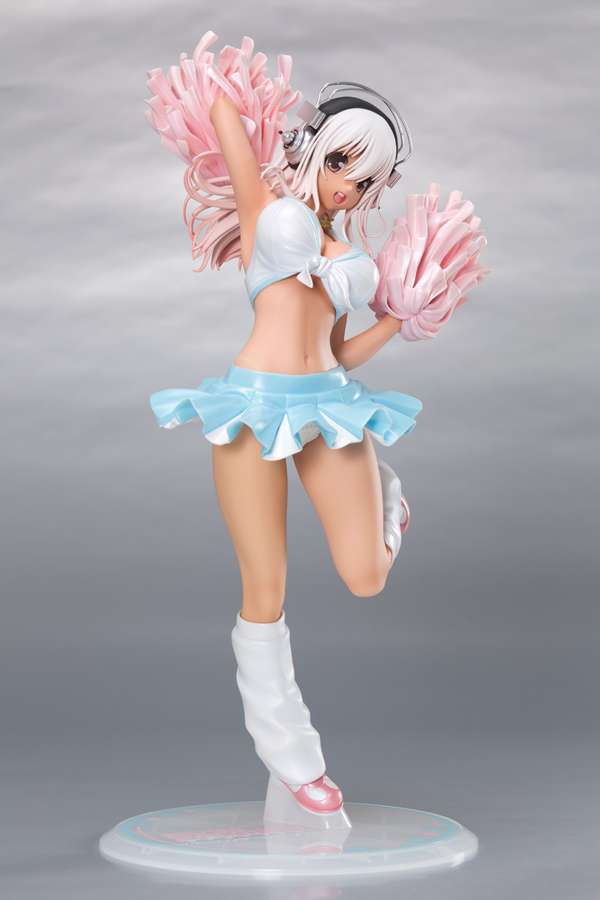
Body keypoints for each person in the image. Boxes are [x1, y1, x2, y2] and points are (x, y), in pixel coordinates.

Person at [148, 42, 423, 816]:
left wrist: (398, 321)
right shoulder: (267, 209)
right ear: (315, 147)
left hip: (328, 402)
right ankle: (294, 759)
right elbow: (223, 113)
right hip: (251, 407)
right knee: (263, 588)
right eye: (341, 163)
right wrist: (245, 89)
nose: (348, 187)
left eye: (365, 180)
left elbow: (336, 350)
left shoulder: (347, 251)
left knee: (367, 576)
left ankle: (387, 501)